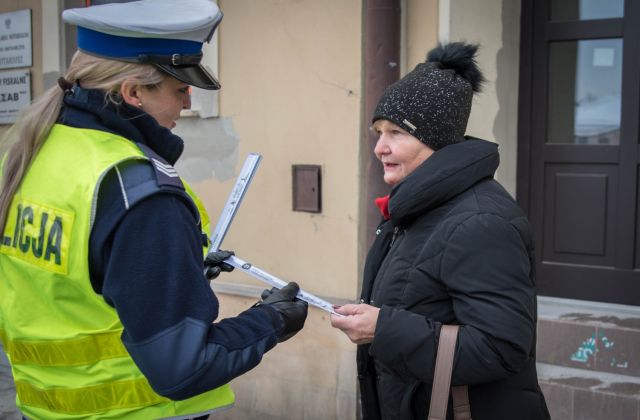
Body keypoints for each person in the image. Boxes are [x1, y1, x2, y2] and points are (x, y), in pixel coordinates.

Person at [0, 1, 307, 419]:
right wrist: (271, 320)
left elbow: (76, 287)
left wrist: (180, 268)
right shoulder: (136, 188)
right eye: (180, 89)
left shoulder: (32, 156)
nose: (186, 102)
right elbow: (182, 368)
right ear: (132, 93)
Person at [330, 42, 550, 419]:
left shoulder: (481, 223)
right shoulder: (418, 208)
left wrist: (384, 329)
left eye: (397, 132)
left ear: (438, 140)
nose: (380, 147)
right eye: (377, 131)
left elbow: (501, 348)